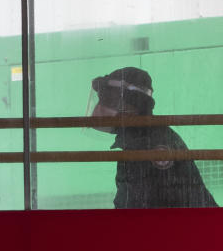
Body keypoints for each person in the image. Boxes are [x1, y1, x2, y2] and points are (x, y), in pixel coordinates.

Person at [90, 66, 217, 209]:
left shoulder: (148, 143)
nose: (99, 108)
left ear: (131, 105)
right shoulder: (141, 137)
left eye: (107, 100)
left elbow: (135, 208)